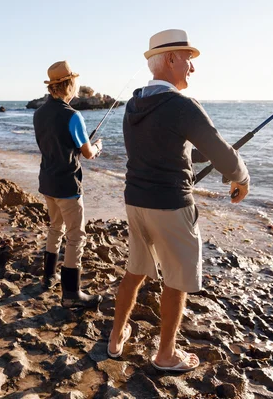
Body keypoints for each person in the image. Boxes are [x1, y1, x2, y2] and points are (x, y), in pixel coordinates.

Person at [107, 29, 250, 371]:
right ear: (170, 59)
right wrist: (241, 177)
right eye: (188, 59)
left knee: (135, 270)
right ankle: (166, 355)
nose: (192, 68)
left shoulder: (134, 104)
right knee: (176, 279)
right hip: (171, 206)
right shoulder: (182, 106)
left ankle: (115, 339)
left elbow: (170, 147)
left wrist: (207, 158)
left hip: (136, 202)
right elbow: (223, 154)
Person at [34, 60, 104, 308]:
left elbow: (53, 145)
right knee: (76, 236)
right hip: (67, 185)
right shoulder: (73, 116)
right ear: (69, 84)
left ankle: (48, 277)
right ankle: (72, 293)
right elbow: (87, 153)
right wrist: (97, 147)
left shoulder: (39, 113)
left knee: (55, 227)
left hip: (47, 182)